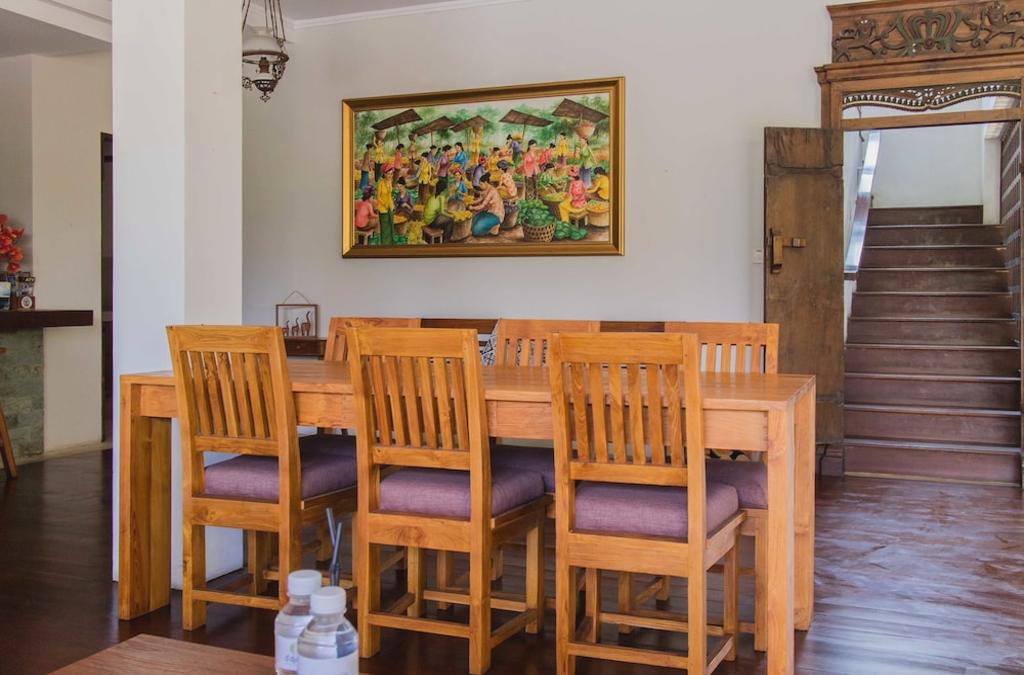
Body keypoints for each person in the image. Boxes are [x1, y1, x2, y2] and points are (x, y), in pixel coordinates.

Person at [469, 172, 504, 237]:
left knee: (475, 230)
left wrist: (472, 208)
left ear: (486, 183)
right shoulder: (486, 189)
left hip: (496, 215)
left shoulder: (492, 191)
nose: (480, 186)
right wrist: (471, 202)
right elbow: (480, 199)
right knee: (472, 223)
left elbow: (483, 205)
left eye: (481, 184)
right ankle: (488, 226)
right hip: (488, 212)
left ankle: (494, 228)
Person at [423, 177, 455, 241]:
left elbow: (437, 210)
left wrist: (448, 213)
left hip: (426, 220)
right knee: (450, 220)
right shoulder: (441, 197)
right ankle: (446, 239)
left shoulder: (433, 196)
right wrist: (451, 215)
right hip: (431, 222)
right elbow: (441, 212)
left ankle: (440, 237)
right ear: (444, 189)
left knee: (444, 218)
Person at [375, 162, 396, 245]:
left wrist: (392, 204)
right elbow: (378, 197)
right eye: (388, 174)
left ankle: (391, 243)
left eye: (391, 174)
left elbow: (390, 194)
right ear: (384, 174)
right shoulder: (380, 183)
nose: (390, 176)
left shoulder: (390, 182)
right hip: (383, 208)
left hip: (390, 206)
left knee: (390, 225)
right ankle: (384, 243)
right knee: (385, 227)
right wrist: (384, 204)